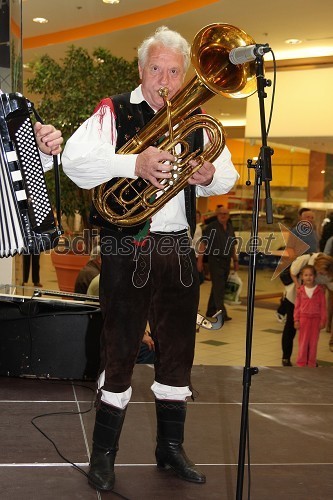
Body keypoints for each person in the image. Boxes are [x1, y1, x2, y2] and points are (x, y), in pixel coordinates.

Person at [62, 26, 238, 492]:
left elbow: (227, 178)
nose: (165, 78)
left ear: (186, 76)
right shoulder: (114, 110)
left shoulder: (198, 118)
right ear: (141, 70)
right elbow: (75, 162)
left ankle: (170, 449)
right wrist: (131, 164)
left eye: (175, 71)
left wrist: (203, 175)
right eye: (156, 68)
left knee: (179, 351)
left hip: (177, 248)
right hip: (127, 246)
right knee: (118, 351)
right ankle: (104, 456)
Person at [277, 208, 319, 355]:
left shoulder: (314, 233)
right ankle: (286, 356)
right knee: (291, 321)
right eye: (307, 217)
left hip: (308, 279)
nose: (309, 219)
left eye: (312, 217)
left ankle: (306, 355)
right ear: (301, 218)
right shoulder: (296, 231)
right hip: (295, 276)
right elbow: (290, 253)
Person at [281, 252, 333, 366]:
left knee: (311, 336)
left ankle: (309, 360)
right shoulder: (305, 259)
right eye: (320, 272)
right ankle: (286, 357)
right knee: (290, 325)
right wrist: (299, 286)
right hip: (295, 295)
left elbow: (329, 285)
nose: (320, 274)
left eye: (323, 273)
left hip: (311, 304)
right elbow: (292, 272)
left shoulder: (328, 270)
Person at [197, 206, 239, 321]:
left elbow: (232, 245)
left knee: (218, 286)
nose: (223, 215)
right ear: (217, 214)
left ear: (228, 215)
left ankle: (210, 310)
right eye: (221, 213)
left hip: (226, 261)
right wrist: (200, 261)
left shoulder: (230, 227)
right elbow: (203, 244)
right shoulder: (211, 227)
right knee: (219, 288)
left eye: (225, 213)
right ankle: (222, 313)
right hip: (215, 261)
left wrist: (235, 260)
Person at [294, 265, 326, 367]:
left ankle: (312, 364)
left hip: (316, 320)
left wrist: (323, 320)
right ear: (302, 277)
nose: (308, 277)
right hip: (304, 320)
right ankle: (301, 364)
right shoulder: (300, 291)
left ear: (315, 276)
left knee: (313, 344)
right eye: (306, 275)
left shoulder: (319, 291)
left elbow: (323, 307)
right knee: (303, 343)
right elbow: (297, 307)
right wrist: (296, 320)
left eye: (311, 275)